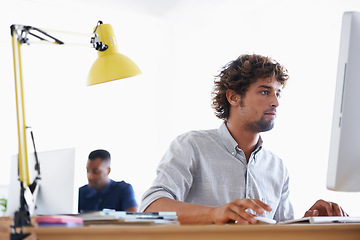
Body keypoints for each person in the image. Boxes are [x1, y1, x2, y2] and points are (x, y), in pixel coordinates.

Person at [139, 54, 348, 224]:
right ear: (233, 97)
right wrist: (214, 214)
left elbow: (283, 229)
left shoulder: (277, 166)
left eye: (278, 93)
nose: (275, 102)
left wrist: (311, 220)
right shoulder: (192, 146)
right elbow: (152, 207)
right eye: (265, 92)